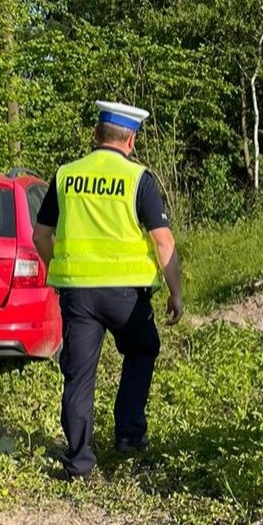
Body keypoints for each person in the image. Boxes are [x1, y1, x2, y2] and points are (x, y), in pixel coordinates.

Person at [33, 101, 184, 481]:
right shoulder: (138, 178)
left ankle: (79, 462)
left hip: (78, 294)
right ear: (131, 140)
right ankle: (129, 435)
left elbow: (41, 235)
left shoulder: (66, 175)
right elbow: (163, 242)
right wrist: (176, 292)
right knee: (141, 349)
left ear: (95, 135)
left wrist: (58, 268)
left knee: (79, 375)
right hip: (126, 296)